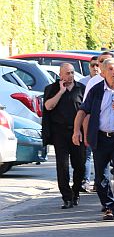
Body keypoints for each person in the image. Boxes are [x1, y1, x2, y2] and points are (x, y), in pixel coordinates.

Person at [78, 59, 114, 220]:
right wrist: (78, 131)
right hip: (100, 137)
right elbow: (83, 111)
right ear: (103, 72)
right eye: (110, 69)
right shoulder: (96, 90)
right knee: (101, 176)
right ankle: (108, 206)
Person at [42, 63, 86, 208]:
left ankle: (76, 192)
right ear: (60, 75)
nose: (70, 76)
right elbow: (48, 106)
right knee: (62, 166)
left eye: (72, 73)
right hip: (59, 132)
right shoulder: (52, 89)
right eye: (67, 73)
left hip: (77, 131)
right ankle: (66, 197)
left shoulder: (81, 89)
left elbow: (87, 111)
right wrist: (61, 92)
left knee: (79, 165)